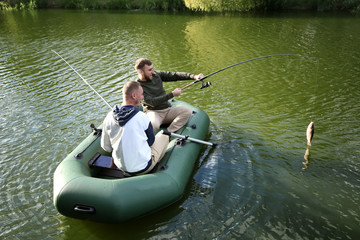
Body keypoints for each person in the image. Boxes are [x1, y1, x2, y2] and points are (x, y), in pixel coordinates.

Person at [100, 81, 169, 176]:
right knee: (163, 136)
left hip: (121, 168)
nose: (143, 97)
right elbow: (151, 141)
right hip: (142, 168)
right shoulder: (141, 116)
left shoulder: (109, 117)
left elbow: (106, 147)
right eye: (141, 94)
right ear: (134, 96)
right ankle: (154, 166)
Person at [135, 58, 204, 133]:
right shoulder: (137, 86)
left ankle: (168, 132)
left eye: (152, 68)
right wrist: (172, 94)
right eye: (149, 70)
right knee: (153, 124)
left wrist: (194, 76)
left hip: (168, 109)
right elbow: (152, 102)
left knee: (187, 111)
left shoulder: (156, 74)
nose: (152, 71)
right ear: (140, 72)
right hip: (153, 112)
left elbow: (174, 75)